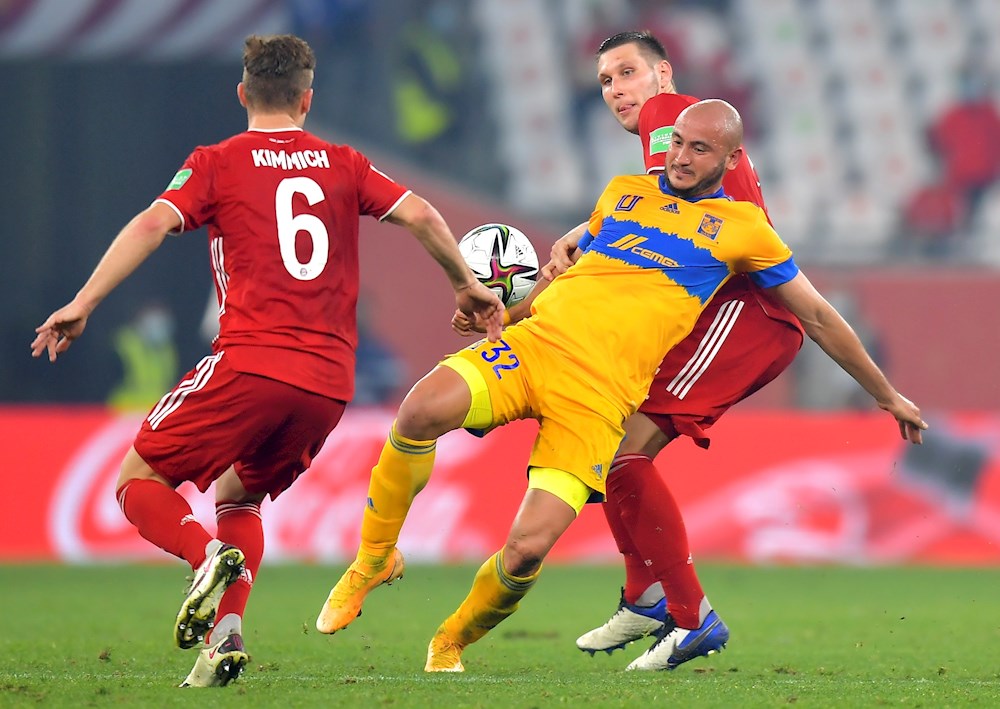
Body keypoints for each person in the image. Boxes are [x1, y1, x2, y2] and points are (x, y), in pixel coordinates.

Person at [315, 98, 926, 674]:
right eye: (677, 144)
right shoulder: (622, 194)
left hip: (600, 399)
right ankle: (373, 559)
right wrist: (507, 312)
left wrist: (885, 394)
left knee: (526, 550)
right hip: (534, 348)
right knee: (419, 411)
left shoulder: (743, 231)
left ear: (732, 161)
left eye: (700, 150)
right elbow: (578, 280)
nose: (681, 159)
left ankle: (449, 642)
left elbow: (817, 316)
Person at [30, 34, 503, 689]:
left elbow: (151, 223)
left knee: (136, 478)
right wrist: (463, 284)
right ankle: (224, 636)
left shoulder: (217, 162)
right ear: (308, 100)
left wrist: (83, 301)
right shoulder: (344, 162)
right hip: (328, 383)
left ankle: (205, 556)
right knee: (239, 492)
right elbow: (420, 211)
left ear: (242, 93)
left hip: (251, 361)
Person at [459, 30, 804, 671]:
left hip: (746, 314)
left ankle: (686, 612)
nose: (617, 91)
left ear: (663, 74)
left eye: (626, 74)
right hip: (719, 310)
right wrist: (572, 244)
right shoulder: (680, 140)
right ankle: (648, 596)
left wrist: (539, 282)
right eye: (605, 83)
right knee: (612, 441)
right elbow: (640, 220)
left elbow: (653, 219)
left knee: (618, 451)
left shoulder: (666, 118)